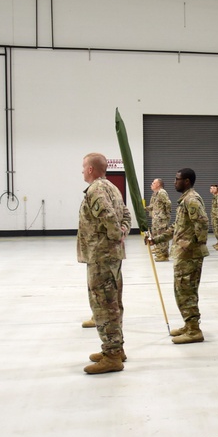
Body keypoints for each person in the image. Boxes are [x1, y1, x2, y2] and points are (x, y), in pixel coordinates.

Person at [78, 152, 131, 374]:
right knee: (113, 302)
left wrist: (114, 233)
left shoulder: (96, 190)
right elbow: (126, 215)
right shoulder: (113, 188)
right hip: (112, 255)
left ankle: (111, 356)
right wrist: (122, 233)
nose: (82, 171)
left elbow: (109, 217)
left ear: (91, 169)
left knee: (103, 304)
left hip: (101, 256)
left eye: (83, 167)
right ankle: (116, 349)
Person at [148, 168, 209, 344]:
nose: (175, 182)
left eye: (177, 179)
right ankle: (188, 324)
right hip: (183, 253)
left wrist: (194, 246)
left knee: (186, 291)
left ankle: (194, 330)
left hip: (189, 254)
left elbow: (203, 223)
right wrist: (156, 239)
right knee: (181, 290)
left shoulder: (192, 200)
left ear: (187, 181)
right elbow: (177, 227)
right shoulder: (185, 200)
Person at [148, 178, 172, 262]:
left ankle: (164, 255)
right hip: (156, 219)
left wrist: (166, 215)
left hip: (161, 219)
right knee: (156, 235)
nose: (152, 184)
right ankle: (160, 251)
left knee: (162, 236)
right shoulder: (156, 193)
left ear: (158, 184)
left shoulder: (162, 192)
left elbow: (168, 203)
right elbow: (154, 205)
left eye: (154, 183)